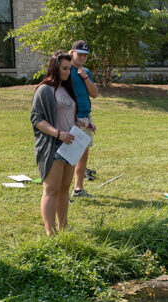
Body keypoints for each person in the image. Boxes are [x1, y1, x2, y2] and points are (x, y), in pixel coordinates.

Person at [31, 51, 78, 235]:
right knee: (51, 189)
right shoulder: (44, 90)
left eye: (69, 69)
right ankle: (50, 232)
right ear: (55, 67)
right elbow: (37, 119)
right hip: (53, 145)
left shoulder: (67, 90)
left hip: (70, 145)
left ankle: (63, 227)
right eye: (64, 68)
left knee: (65, 189)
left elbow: (69, 116)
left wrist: (82, 123)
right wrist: (58, 134)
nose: (67, 72)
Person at [68, 40, 100, 199]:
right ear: (71, 52)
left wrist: (85, 76)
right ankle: (63, 191)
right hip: (71, 118)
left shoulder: (85, 71)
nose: (82, 58)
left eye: (85, 56)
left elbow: (94, 94)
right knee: (69, 155)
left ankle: (78, 189)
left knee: (83, 153)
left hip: (86, 117)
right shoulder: (65, 70)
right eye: (79, 54)